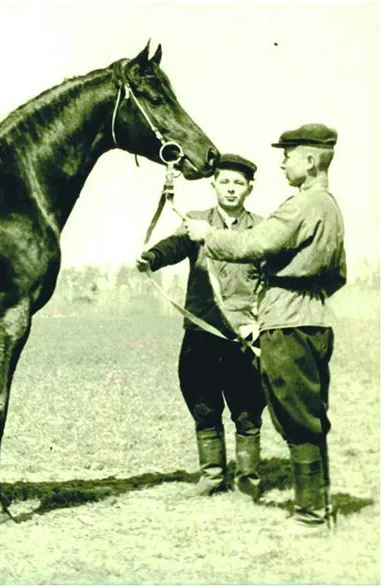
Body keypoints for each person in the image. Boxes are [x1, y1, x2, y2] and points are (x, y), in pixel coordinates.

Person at [184, 123, 346, 534]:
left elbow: (253, 245)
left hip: (287, 323)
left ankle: (309, 515)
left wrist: (208, 235)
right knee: (312, 414)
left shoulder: (300, 205)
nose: (282, 162)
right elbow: (338, 274)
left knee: (296, 418)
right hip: (316, 319)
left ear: (310, 161)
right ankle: (319, 505)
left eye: (288, 155)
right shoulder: (331, 207)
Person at [137, 153, 265, 499]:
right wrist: (152, 256)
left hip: (245, 335)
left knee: (248, 408)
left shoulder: (262, 229)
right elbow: (175, 246)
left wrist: (259, 321)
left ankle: (247, 480)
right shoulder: (195, 222)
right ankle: (211, 476)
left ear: (250, 188)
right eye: (225, 181)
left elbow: (271, 279)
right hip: (202, 332)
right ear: (214, 185)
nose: (231, 188)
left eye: (238, 183)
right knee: (204, 404)